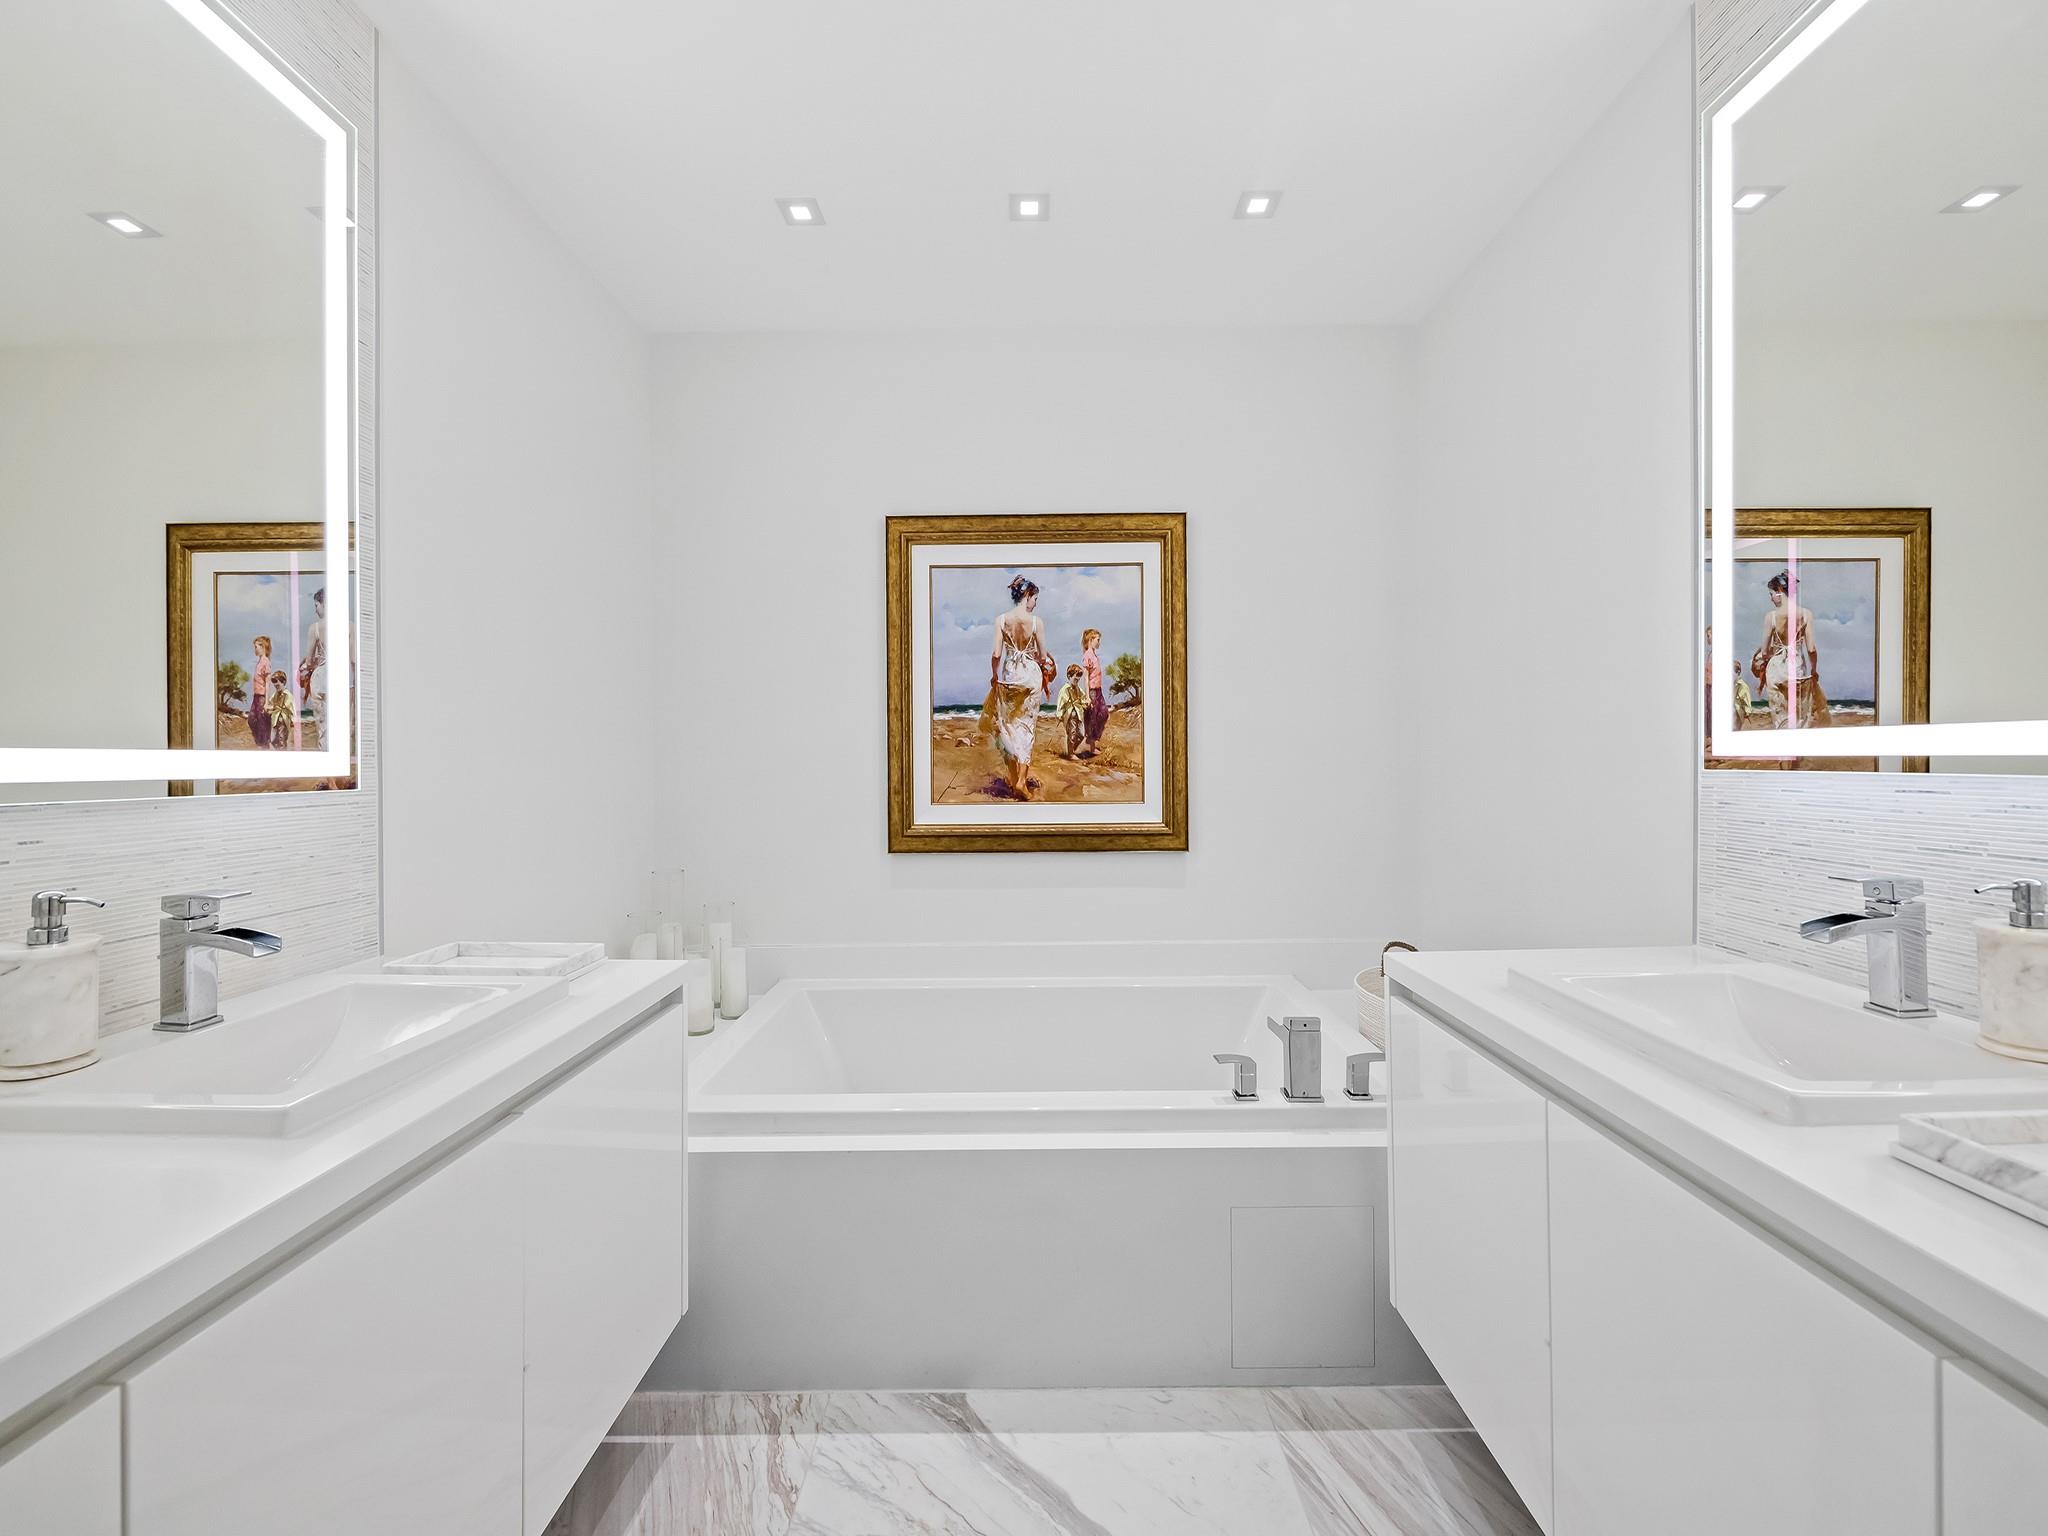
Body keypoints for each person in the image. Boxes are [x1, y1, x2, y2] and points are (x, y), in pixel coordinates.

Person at [978, 575, 1052, 798]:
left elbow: (996, 654)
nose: (1035, 604)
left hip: (1010, 675)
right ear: (1027, 595)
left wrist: (994, 675)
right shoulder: (1036, 622)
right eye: (1035, 599)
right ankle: (1020, 781)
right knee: (1027, 728)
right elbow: (1042, 657)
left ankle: (1013, 778)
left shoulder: (1001, 620)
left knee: (1008, 727)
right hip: (1031, 677)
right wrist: (1039, 659)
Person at [1749, 570, 1833, 729]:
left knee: (1781, 718)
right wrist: (1814, 670)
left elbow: (1765, 653)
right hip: (1797, 669)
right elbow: (1811, 649)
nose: (1771, 598)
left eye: (1771, 593)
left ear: (1780, 590)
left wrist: (1764, 658)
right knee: (1799, 717)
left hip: (1776, 671)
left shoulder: (1771, 617)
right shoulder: (1806, 614)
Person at [297, 587, 327, 752]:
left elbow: (309, 661)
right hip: (343, 677)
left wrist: (305, 665)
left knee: (323, 727)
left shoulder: (315, 628)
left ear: (324, 604)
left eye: (316, 605)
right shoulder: (348, 626)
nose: (315, 610)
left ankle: (328, 764)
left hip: (322, 677)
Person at [1080, 627, 1109, 756]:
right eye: (1097, 639)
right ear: (1090, 640)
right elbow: (1086, 678)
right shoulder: (1087, 656)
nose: (1099, 642)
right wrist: (1087, 697)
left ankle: (1091, 743)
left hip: (1098, 690)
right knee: (1092, 717)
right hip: (1092, 691)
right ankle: (1090, 746)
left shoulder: (1094, 655)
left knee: (1103, 714)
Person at [1055, 663, 1088, 758]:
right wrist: (1059, 714)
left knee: (1081, 734)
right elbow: (1060, 703)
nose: (1077, 680)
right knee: (1072, 733)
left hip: (1078, 713)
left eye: (1078, 679)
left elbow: (1083, 699)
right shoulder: (1065, 689)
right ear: (1069, 676)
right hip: (1069, 714)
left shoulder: (1078, 689)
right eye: (1075, 678)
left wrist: (1085, 704)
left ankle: (1075, 750)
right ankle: (1071, 753)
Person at [248, 635, 275, 749]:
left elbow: (268, 683)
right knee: (251, 719)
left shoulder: (266, 662)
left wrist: (267, 702)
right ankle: (262, 742)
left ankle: (265, 744)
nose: (255, 649)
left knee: (262, 721)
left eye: (256, 647)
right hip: (256, 696)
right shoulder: (259, 662)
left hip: (262, 697)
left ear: (263, 647)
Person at [266, 671, 296, 750]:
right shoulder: (276, 694)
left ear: (283, 682)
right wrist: (269, 708)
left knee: (282, 739)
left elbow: (288, 708)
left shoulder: (287, 694)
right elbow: (271, 702)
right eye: (274, 684)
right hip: (275, 720)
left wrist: (273, 708)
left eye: (277, 683)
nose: (276, 685)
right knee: (274, 740)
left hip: (284, 720)